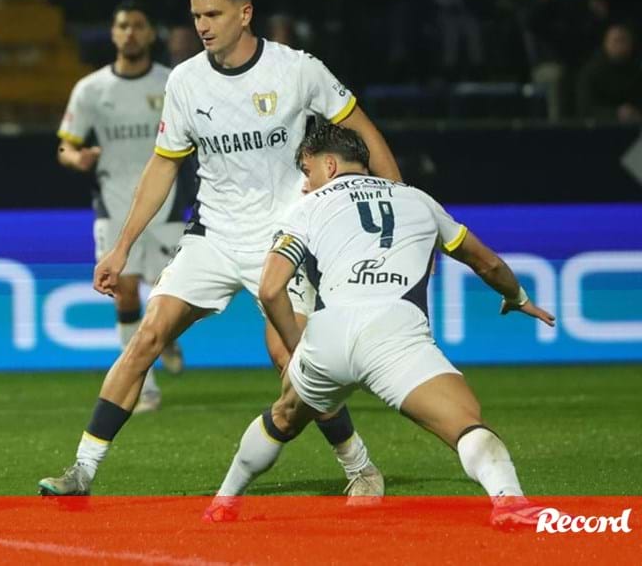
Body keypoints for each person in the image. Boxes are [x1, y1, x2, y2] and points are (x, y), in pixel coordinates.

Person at [38, 0, 401, 498]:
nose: (203, 25)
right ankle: (82, 471)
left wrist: (402, 203)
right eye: (196, 15)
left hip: (285, 237)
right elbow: (163, 166)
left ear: (244, 13)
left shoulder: (297, 70)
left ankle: (360, 467)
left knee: (292, 357)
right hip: (212, 235)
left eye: (214, 13)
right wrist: (121, 248)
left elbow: (360, 127)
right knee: (146, 338)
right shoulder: (185, 81)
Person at [203, 124, 556, 528]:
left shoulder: (307, 208)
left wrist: (301, 349)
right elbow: (487, 263)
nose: (305, 184)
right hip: (395, 335)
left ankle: (224, 501)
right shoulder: (419, 200)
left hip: (329, 332)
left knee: (284, 414)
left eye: (307, 170)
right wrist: (518, 298)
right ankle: (510, 501)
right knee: (465, 423)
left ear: (330, 165)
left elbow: (269, 289)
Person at [57, 1, 191, 414]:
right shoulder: (91, 89)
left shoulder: (174, 83)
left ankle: (165, 336)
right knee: (125, 291)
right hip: (114, 202)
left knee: (169, 294)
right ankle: (144, 387)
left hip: (167, 204)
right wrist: (74, 158)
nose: (129, 33)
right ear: (113, 35)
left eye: (137, 25)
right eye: (122, 26)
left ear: (150, 34)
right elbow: (66, 143)